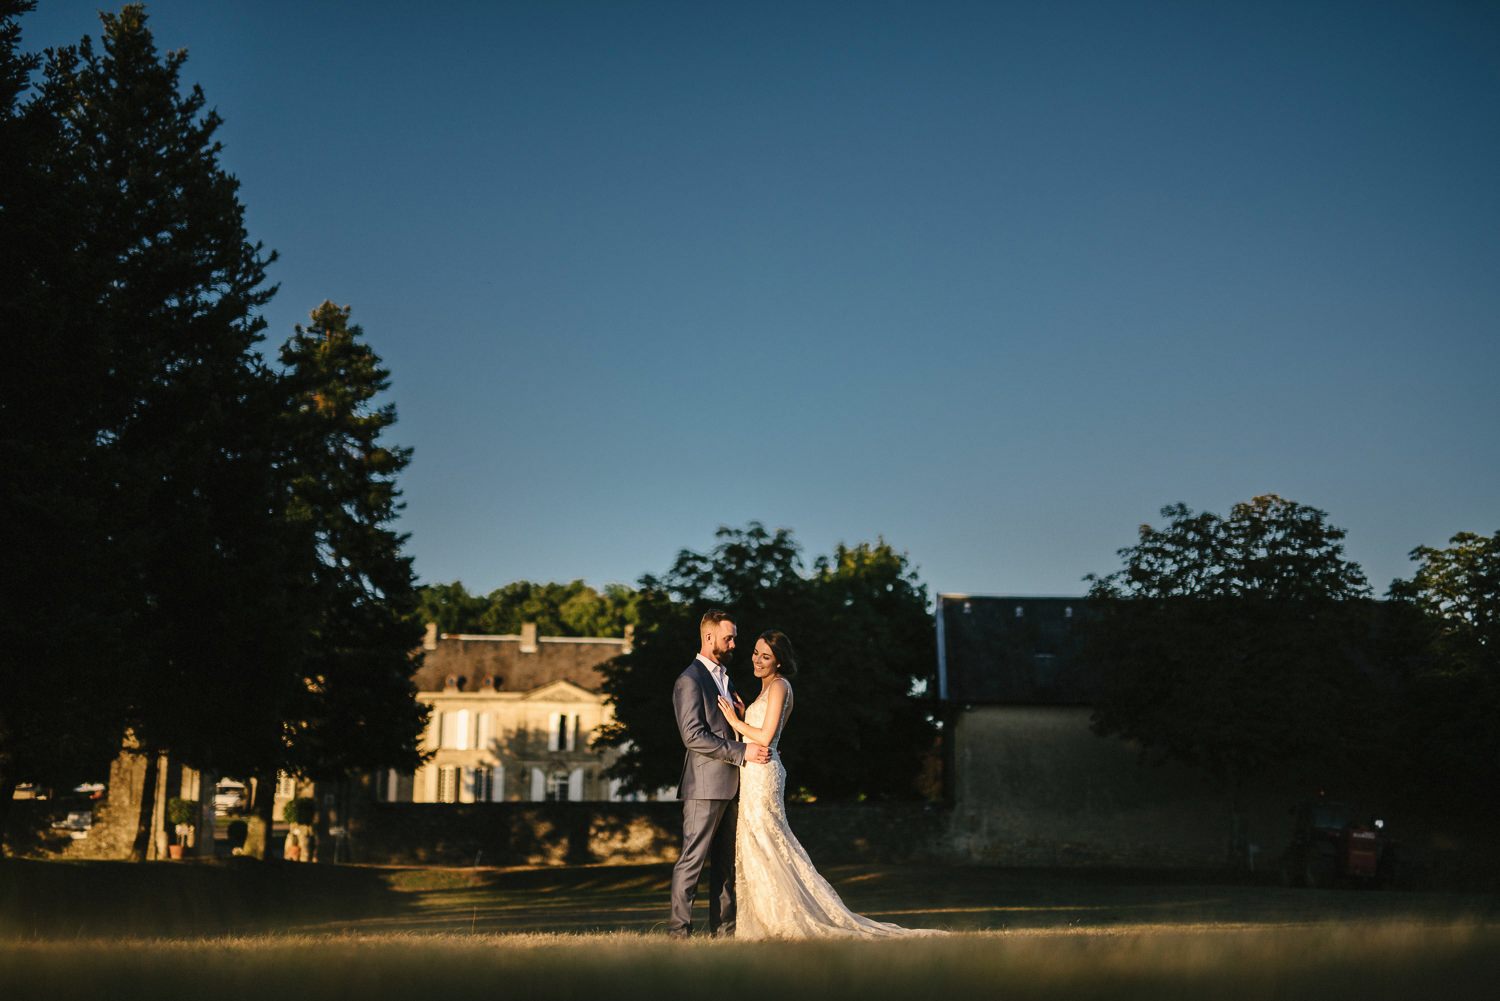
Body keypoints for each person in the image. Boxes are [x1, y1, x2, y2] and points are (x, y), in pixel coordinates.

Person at [716, 630, 943, 939]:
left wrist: (735, 722)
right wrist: (745, 715)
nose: (757, 660)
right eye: (755, 653)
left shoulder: (781, 686)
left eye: (765, 656)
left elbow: (767, 737)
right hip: (753, 770)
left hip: (763, 775)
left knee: (768, 840)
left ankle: (786, 916)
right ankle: (761, 916)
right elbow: (761, 730)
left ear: (779, 662)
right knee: (756, 841)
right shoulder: (765, 689)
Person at [668, 609, 772, 937]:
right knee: (692, 861)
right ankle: (678, 934)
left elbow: (725, 729)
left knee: (726, 866)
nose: (734, 643)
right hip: (704, 785)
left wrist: (742, 723)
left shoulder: (723, 678)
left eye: (734, 637)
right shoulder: (689, 679)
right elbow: (693, 736)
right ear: (709, 636)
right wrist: (742, 752)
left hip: (733, 783)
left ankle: (724, 933)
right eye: (729, 637)